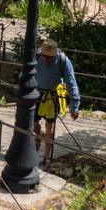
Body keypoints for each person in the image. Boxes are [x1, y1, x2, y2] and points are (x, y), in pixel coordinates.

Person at [34, 38, 81, 169]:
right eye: (44, 55)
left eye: (49, 57)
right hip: (36, 93)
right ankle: (37, 140)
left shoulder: (63, 61)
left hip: (52, 95)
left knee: (51, 128)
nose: (46, 59)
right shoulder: (36, 57)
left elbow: (71, 83)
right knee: (34, 126)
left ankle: (47, 156)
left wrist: (74, 106)